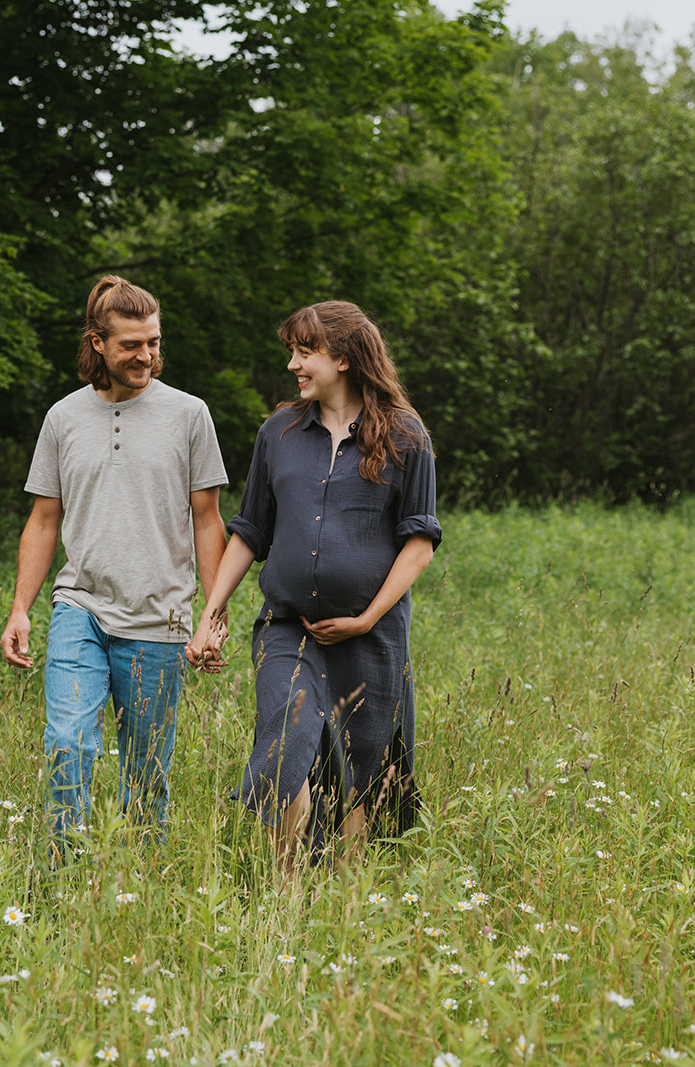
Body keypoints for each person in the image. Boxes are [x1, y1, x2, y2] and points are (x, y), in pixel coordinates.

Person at [186, 301, 440, 874]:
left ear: (344, 359)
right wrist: (212, 611)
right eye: (293, 352)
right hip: (289, 630)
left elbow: (419, 541)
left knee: (362, 766)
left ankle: (345, 897)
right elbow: (249, 530)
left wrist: (367, 618)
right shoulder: (278, 432)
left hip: (370, 636)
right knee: (285, 750)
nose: (294, 365)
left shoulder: (405, 435)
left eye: (306, 353)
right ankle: (288, 890)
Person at [0, 276, 228, 862]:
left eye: (153, 342)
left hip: (161, 618)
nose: (146, 355)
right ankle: (61, 870)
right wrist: (21, 608)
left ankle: (138, 882)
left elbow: (207, 519)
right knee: (67, 743)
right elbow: (44, 520)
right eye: (131, 344)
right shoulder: (63, 418)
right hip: (81, 606)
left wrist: (212, 613)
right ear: (97, 343)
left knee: (146, 767)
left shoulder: (189, 415)